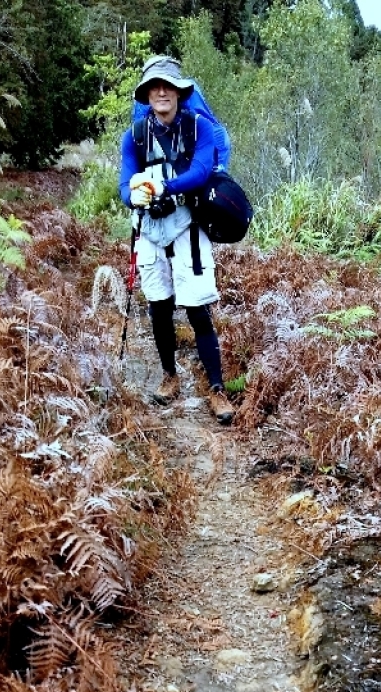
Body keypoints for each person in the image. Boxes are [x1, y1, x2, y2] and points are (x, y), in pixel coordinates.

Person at [119, 55, 234, 425]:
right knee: (158, 308)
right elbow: (125, 183)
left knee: (198, 310)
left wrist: (164, 188)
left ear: (179, 92)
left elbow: (202, 171)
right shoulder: (134, 137)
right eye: (155, 86)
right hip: (151, 232)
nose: (162, 92)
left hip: (188, 228)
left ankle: (217, 389)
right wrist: (132, 196)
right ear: (147, 94)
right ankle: (170, 376)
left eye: (168, 85)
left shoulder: (198, 127)